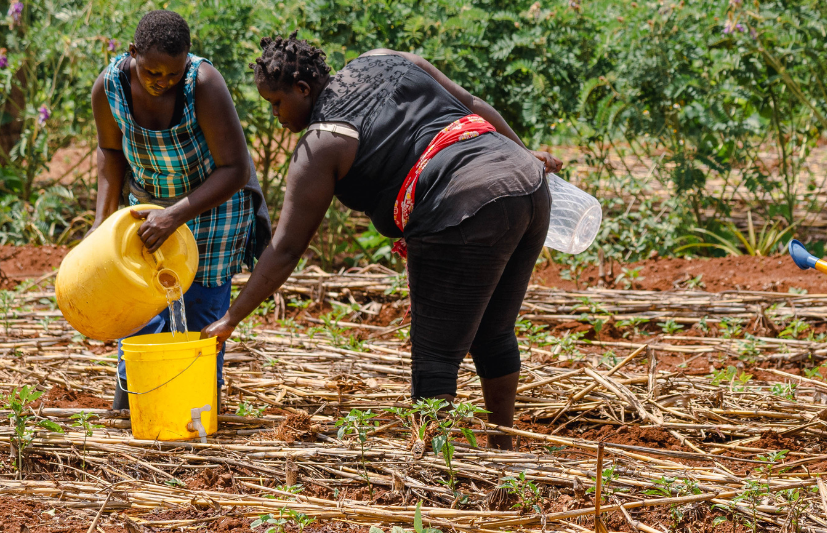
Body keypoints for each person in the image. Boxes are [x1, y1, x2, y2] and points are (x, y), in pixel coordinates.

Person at [202, 34, 561, 450]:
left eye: (277, 103)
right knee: (493, 331)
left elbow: (285, 249)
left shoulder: (321, 144)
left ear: (303, 89)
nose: (276, 116)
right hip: (527, 184)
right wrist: (525, 153)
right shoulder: (384, 58)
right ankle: (502, 448)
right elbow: (473, 104)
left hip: (462, 204)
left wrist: (231, 318)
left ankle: (436, 467)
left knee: (434, 356)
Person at [91, 10, 270, 411]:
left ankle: (193, 411)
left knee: (200, 315)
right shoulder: (110, 87)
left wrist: (175, 217)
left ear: (186, 61)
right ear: (133, 53)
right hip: (149, 210)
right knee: (139, 304)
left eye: (172, 74)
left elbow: (236, 169)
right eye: (153, 72)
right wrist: (102, 223)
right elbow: (109, 151)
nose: (162, 82)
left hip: (212, 208)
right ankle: (134, 405)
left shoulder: (201, 84)